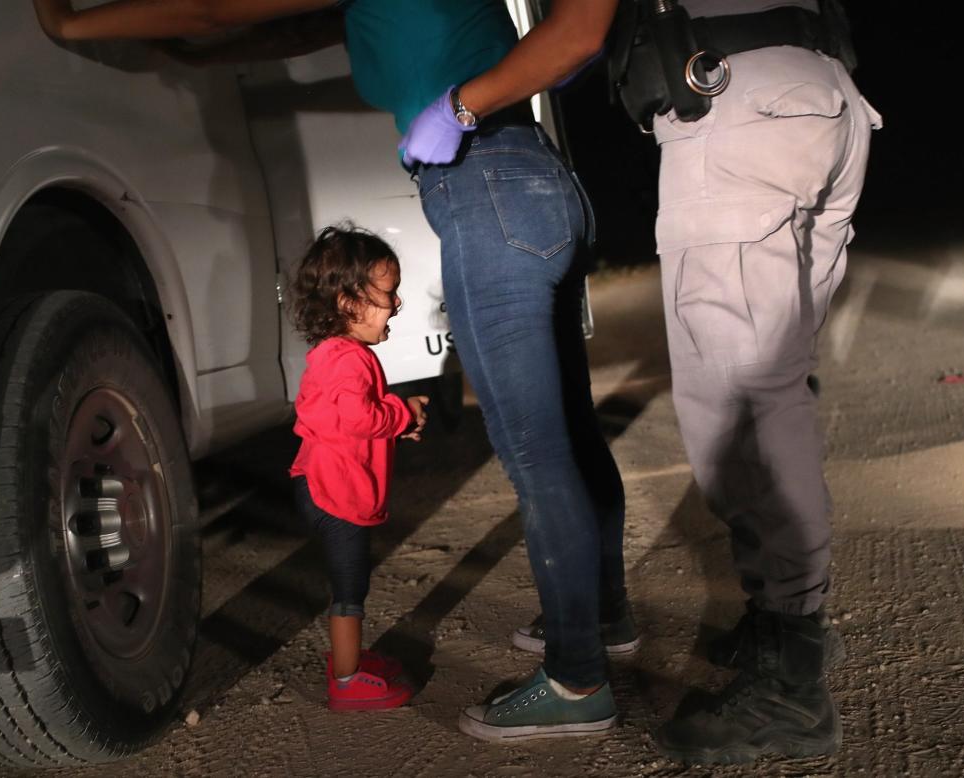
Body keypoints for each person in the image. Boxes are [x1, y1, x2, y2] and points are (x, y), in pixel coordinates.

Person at [32, 0, 633, 742]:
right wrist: (193, 58)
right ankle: (600, 615)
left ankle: (577, 677)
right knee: (569, 434)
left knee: (539, 454)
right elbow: (291, 29)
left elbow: (208, 7)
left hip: (485, 187)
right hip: (536, 180)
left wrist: (69, 24)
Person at [595, 0, 879, 764]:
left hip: (740, 103)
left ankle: (793, 681)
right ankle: (785, 627)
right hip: (821, 93)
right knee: (775, 384)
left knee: (744, 405)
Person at [287, 225, 428, 711]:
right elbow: (357, 417)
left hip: (320, 483)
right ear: (349, 304)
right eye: (387, 295)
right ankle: (346, 680)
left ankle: (350, 660)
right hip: (336, 493)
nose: (396, 304)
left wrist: (395, 420)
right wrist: (402, 413)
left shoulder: (334, 355)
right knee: (350, 588)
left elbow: (344, 419)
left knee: (350, 583)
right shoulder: (349, 359)